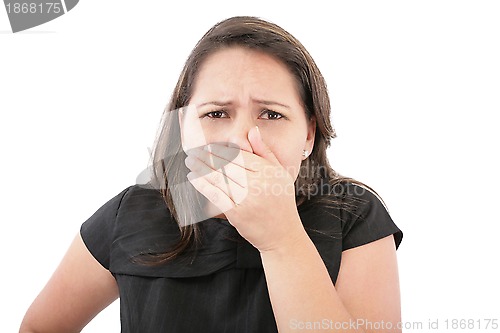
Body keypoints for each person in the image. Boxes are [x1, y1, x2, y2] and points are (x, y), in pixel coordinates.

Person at [20, 16, 403, 333]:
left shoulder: (352, 214)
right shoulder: (129, 215)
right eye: (216, 114)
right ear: (183, 127)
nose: (239, 138)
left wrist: (282, 240)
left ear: (308, 133)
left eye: (271, 114)